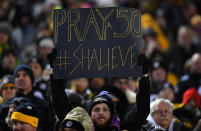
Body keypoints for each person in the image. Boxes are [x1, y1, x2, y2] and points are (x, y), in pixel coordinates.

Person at [48, 49, 151, 131]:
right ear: (90, 114)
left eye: (105, 109)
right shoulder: (80, 128)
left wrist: (144, 77)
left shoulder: (123, 128)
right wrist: (55, 72)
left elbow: (142, 110)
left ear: (112, 113)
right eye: (96, 109)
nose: (101, 113)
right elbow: (61, 106)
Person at [0, 64, 56, 131]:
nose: (21, 78)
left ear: (31, 79)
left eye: (24, 75)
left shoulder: (44, 106)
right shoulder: (4, 105)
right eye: (17, 76)